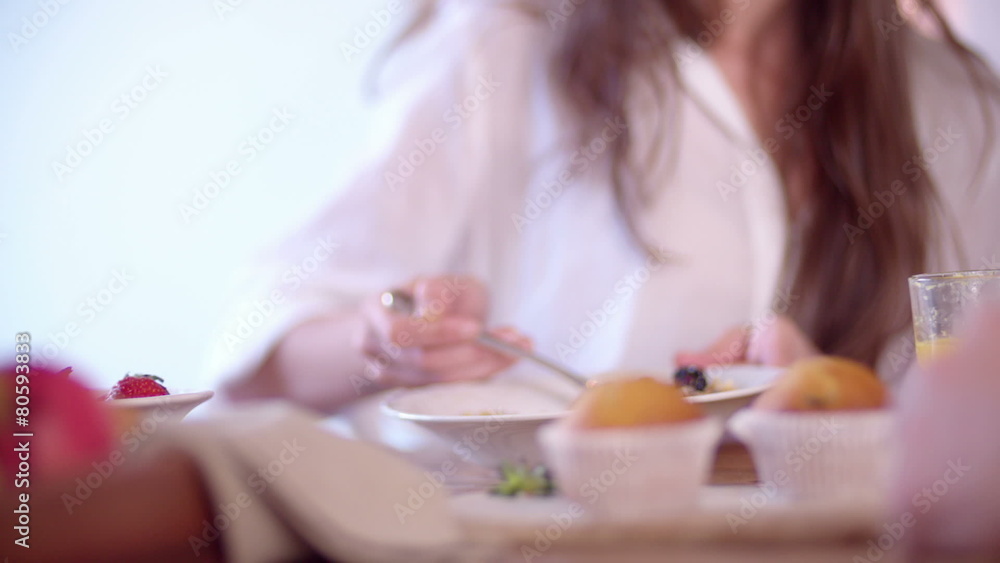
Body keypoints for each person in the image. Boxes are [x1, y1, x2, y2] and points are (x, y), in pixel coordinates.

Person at [208, 0, 999, 444]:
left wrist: (832, 402)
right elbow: (251, 365)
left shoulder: (956, 104)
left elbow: (963, 444)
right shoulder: (501, 43)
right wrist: (378, 346)